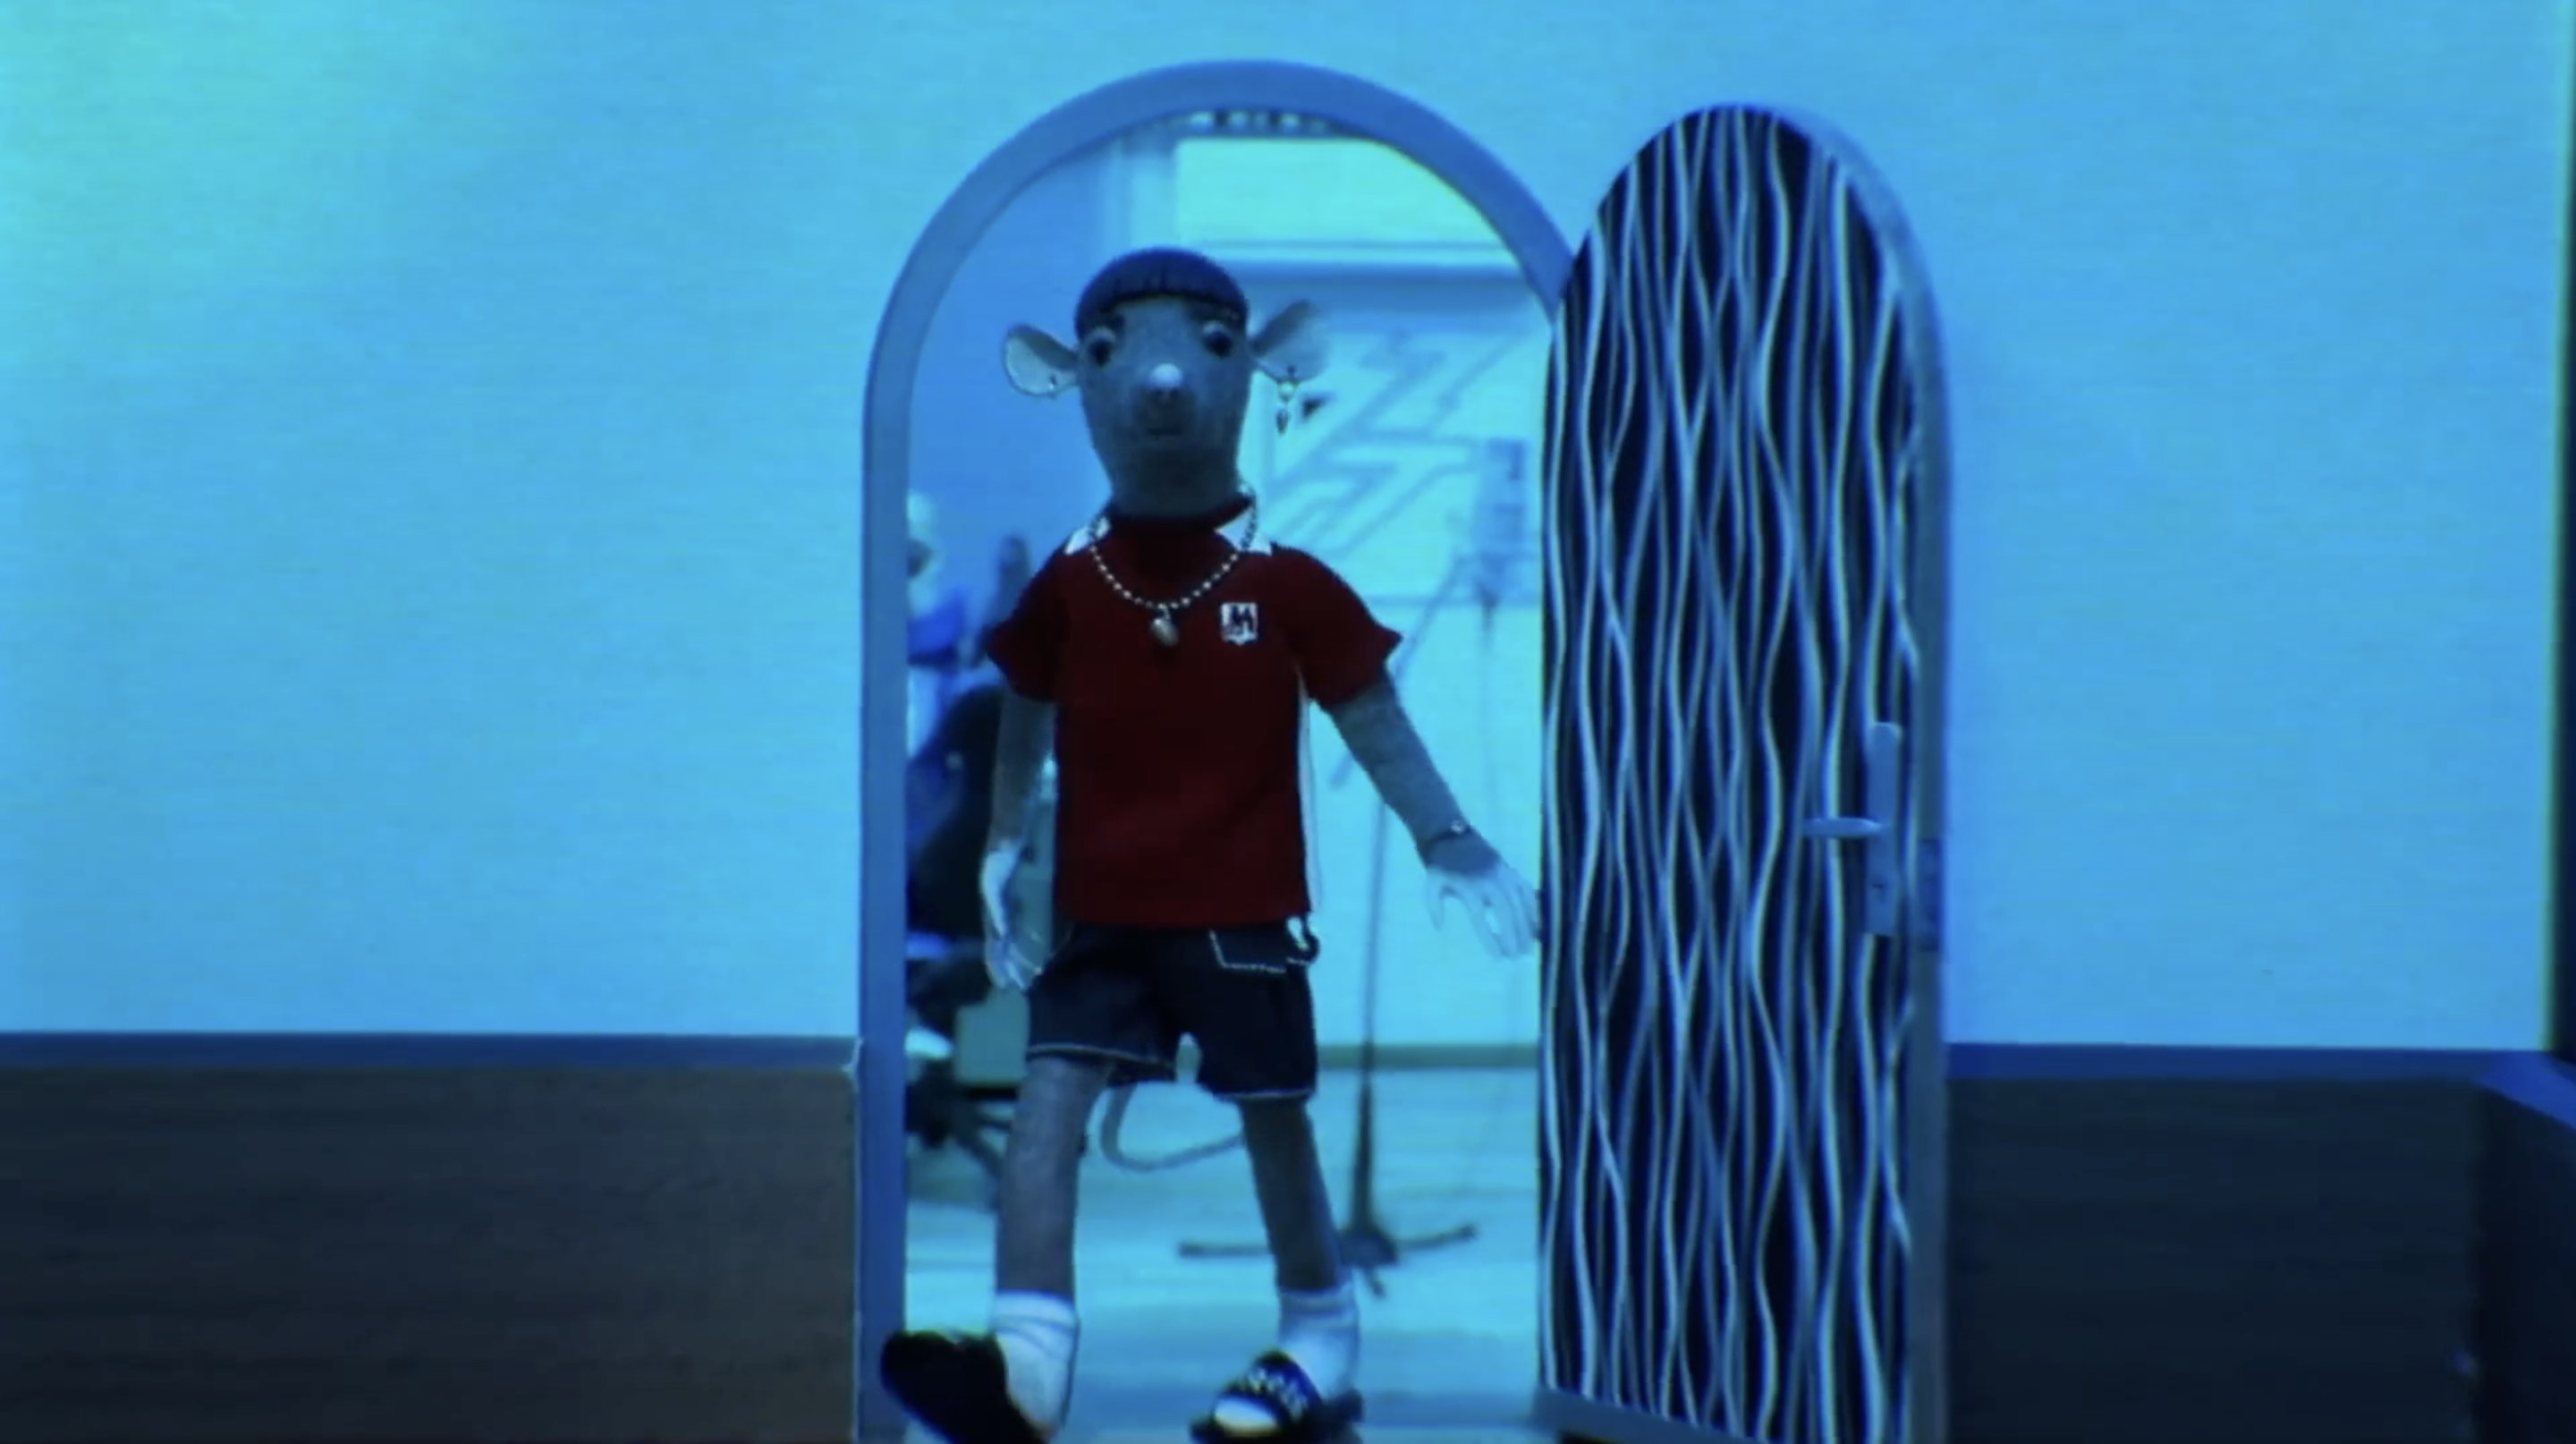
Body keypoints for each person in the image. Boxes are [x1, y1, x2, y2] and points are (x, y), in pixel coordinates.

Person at [877, 248, 1537, 1444]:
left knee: (1273, 1115)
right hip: (1097, 914)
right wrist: (1001, 847)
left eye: (1208, 345)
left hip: (1240, 914)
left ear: (1258, 370)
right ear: (1075, 378)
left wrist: (1449, 836)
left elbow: (1372, 716)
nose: (1166, 378)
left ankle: (1319, 1336)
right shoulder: (1073, 586)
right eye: (1114, 350)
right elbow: (1023, 715)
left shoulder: (1289, 586)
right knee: (1047, 1108)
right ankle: (1028, 1359)